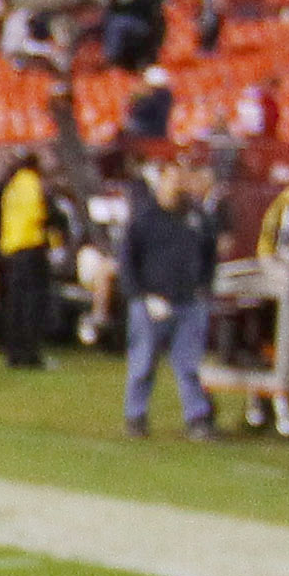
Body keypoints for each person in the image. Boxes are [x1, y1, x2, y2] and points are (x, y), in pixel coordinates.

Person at [118, 146, 219, 438]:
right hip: (151, 301)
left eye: (180, 178)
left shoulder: (197, 217)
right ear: (160, 182)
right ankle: (135, 416)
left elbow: (209, 253)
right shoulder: (144, 218)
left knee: (189, 364)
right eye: (171, 179)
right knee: (143, 362)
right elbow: (128, 260)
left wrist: (204, 287)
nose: (177, 185)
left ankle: (197, 418)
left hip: (189, 301)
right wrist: (140, 295)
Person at [0, 143, 60, 368]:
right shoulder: (33, 183)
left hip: (12, 250)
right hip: (32, 247)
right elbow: (45, 214)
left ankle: (14, 354)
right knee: (33, 305)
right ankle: (31, 355)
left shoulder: (10, 186)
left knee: (15, 305)